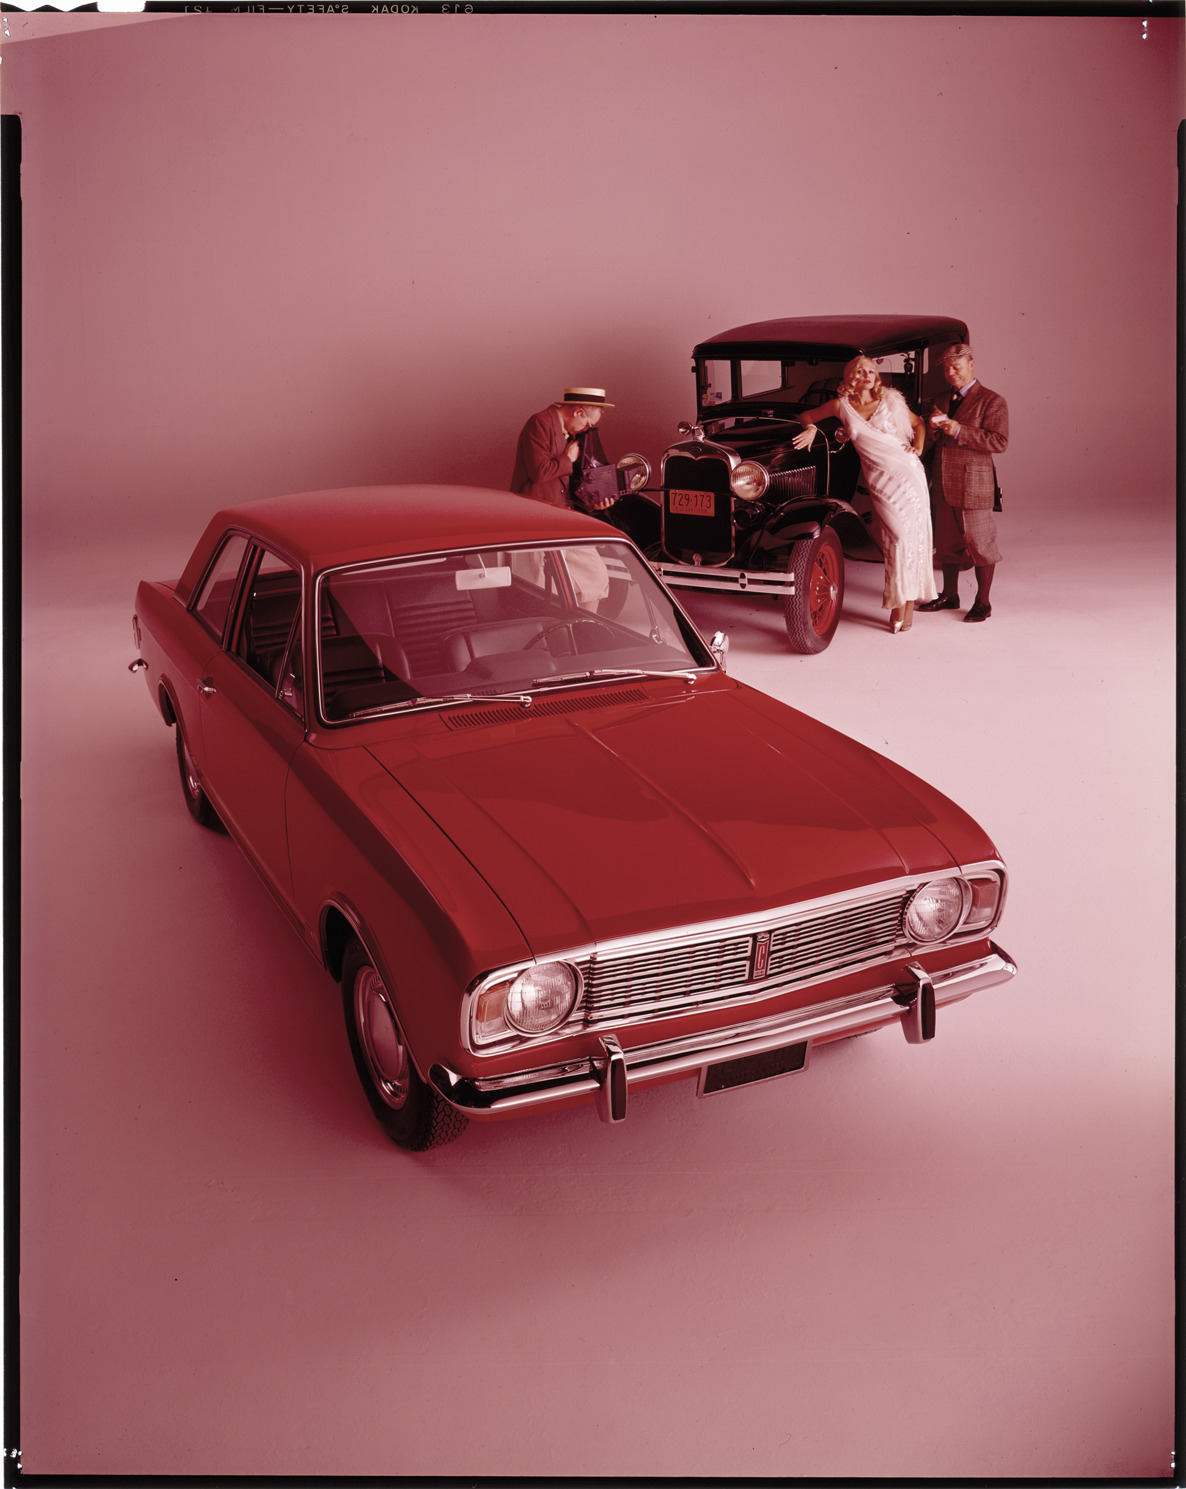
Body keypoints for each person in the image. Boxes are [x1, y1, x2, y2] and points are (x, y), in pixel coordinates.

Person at [792, 356, 936, 632]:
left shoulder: (890, 401)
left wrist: (917, 448)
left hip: (908, 474)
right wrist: (810, 428)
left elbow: (919, 424)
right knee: (896, 538)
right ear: (851, 376)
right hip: (880, 481)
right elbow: (807, 416)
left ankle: (903, 606)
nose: (868, 375)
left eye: (872, 370)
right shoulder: (841, 406)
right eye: (861, 371)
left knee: (912, 539)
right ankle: (901, 600)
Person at [916, 344, 1008, 623]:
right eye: (946, 369)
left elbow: (999, 442)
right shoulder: (940, 399)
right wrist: (932, 429)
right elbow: (929, 442)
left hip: (974, 485)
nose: (951, 373)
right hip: (943, 482)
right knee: (947, 544)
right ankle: (949, 595)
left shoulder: (992, 400)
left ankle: (983, 602)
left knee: (981, 545)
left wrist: (958, 430)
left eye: (956, 367)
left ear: (971, 364)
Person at [510, 387, 615, 509]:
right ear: (578, 413)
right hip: (534, 510)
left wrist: (591, 503)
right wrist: (568, 458)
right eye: (588, 424)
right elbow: (539, 472)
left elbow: (568, 483)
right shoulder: (540, 422)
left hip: (559, 511)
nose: (586, 429)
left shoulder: (571, 432)